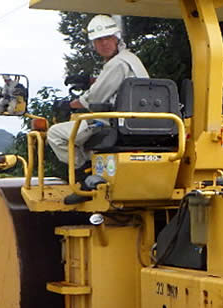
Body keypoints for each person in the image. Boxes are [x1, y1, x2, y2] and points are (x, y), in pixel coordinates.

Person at [45, 15, 149, 203]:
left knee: (56, 134)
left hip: (114, 121)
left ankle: (85, 179)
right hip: (139, 122)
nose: (103, 44)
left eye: (107, 38)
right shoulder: (130, 59)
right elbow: (114, 83)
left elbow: (93, 99)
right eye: (98, 40)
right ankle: (94, 173)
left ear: (116, 38)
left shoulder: (116, 64)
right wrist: (89, 80)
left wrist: (67, 105)